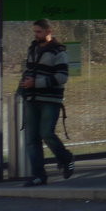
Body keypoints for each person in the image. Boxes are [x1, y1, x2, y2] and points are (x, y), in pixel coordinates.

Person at [18, 18, 75, 186]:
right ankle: (38, 175)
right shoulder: (32, 49)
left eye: (39, 32)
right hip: (32, 98)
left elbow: (62, 77)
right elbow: (28, 69)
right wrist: (24, 85)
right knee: (31, 138)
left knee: (46, 133)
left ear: (48, 32)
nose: (35, 35)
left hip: (50, 99)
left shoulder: (58, 52)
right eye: (34, 31)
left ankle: (65, 157)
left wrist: (37, 83)